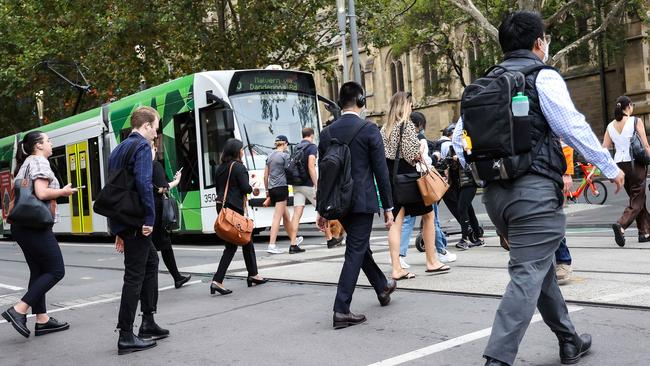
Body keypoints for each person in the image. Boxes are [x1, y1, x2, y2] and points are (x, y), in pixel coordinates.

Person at [452, 12, 624, 366]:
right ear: (538, 44)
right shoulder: (542, 76)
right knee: (527, 273)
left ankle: (569, 340)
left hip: (497, 197)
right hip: (533, 194)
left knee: (540, 269)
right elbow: (571, 125)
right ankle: (497, 360)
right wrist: (608, 166)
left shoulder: (487, 82)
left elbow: (458, 140)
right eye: (546, 40)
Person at [316, 81, 396, 329]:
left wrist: (320, 209)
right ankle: (341, 309)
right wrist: (388, 207)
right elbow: (381, 171)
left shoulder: (326, 133)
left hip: (338, 203)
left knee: (359, 247)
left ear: (340, 104)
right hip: (361, 201)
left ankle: (382, 287)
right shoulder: (369, 129)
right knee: (355, 250)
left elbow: (324, 173)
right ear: (361, 102)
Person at [1, 131, 77, 338]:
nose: (51, 143)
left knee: (38, 271)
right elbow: (42, 193)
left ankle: (42, 319)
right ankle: (19, 309)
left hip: (22, 226)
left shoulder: (26, 163)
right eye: (48, 140)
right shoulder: (40, 161)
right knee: (56, 270)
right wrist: (63, 192)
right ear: (39, 145)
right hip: (35, 226)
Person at [111, 106, 169, 355]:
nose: (156, 134)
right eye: (155, 128)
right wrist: (149, 218)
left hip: (125, 219)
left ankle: (147, 320)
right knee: (134, 275)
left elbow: (114, 189)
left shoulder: (119, 148)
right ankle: (126, 334)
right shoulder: (142, 146)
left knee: (151, 262)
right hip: (137, 220)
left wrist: (118, 226)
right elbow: (144, 185)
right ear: (145, 126)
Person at [382, 91, 450, 281]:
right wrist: (420, 148)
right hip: (409, 178)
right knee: (428, 216)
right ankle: (432, 261)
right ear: (405, 106)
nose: (412, 108)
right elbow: (412, 154)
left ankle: (396, 267)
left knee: (396, 223)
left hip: (391, 178)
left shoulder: (384, 128)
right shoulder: (406, 125)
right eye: (411, 104)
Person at [399, 112, 457, 267]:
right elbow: (427, 160)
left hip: (410, 182)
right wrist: (436, 157)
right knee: (432, 219)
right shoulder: (420, 139)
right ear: (420, 125)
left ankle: (400, 254)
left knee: (409, 220)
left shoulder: (404, 138)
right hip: (423, 182)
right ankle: (441, 252)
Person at [211, 138, 267, 295]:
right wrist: (252, 188)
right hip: (234, 208)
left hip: (222, 206)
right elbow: (245, 188)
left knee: (246, 239)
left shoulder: (220, 168)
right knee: (232, 245)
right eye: (241, 149)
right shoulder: (239, 167)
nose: (243, 151)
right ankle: (217, 280)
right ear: (237, 152)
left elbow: (219, 188)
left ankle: (253, 274)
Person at [602, 95, 650, 247]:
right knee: (637, 199)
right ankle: (621, 225)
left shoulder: (610, 126)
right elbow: (646, 145)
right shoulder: (636, 121)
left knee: (637, 198)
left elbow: (604, 149)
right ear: (628, 106)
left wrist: (607, 169)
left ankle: (644, 232)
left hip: (619, 166)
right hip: (635, 164)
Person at [289, 128, 342, 249]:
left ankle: (293, 244)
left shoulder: (296, 147)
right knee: (324, 210)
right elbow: (311, 166)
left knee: (296, 215)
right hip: (308, 185)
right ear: (312, 136)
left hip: (296, 185)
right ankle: (330, 239)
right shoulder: (311, 147)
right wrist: (317, 184)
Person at [151, 143, 191, 289]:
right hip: (157, 213)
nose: (156, 151)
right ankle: (174, 278)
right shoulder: (155, 166)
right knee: (161, 247)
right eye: (154, 148)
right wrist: (177, 181)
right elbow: (162, 188)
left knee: (164, 246)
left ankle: (177, 277)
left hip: (149, 212)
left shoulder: (140, 167)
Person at [264, 135, 304, 254]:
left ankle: (294, 238)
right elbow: (291, 171)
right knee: (277, 217)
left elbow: (265, 176)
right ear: (285, 144)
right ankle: (271, 245)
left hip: (271, 189)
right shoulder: (285, 156)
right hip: (281, 188)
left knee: (285, 216)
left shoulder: (269, 156)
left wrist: (267, 192)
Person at [454, 152, 485, 250]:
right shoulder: (454, 148)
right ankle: (479, 238)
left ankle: (464, 239)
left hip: (470, 182)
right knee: (469, 210)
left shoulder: (466, 146)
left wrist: (459, 158)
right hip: (462, 184)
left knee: (462, 209)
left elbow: (471, 160)